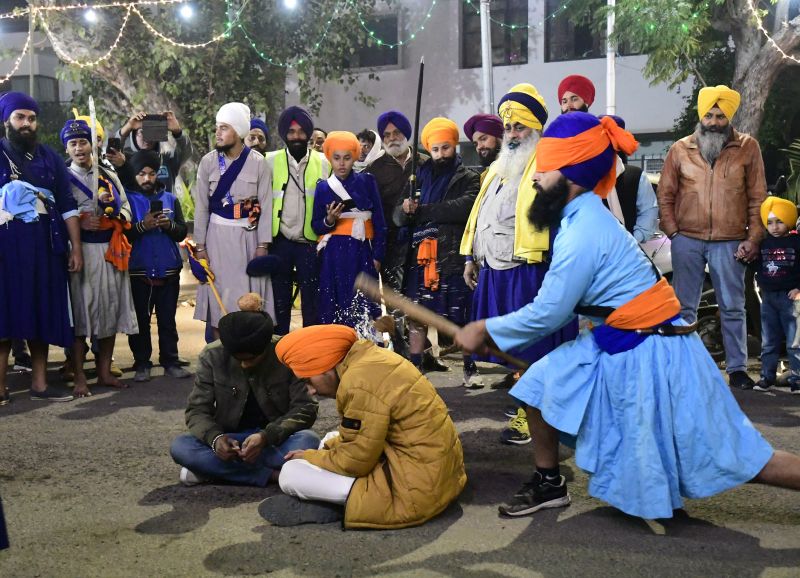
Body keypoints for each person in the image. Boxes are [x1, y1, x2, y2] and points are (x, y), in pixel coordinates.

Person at [455, 112, 800, 520]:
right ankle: (549, 483)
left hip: (658, 349)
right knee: (538, 386)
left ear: (571, 175)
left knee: (741, 456)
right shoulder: (579, 218)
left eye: (544, 169)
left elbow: (549, 313)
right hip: (623, 340)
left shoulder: (583, 231)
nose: (535, 178)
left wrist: (485, 329)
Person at [258, 325, 466, 528]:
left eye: (308, 381)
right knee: (330, 439)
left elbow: (354, 463)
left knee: (291, 473)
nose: (311, 391)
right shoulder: (372, 357)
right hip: (441, 476)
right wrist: (323, 453)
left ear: (325, 367)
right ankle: (338, 498)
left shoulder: (357, 382)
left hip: (413, 492)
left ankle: (343, 505)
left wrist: (310, 456)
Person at [460, 85, 579, 434]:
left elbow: (558, 221)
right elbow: (480, 215)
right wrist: (470, 257)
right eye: (508, 127)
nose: (512, 134)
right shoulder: (497, 169)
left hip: (530, 270)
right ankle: (528, 406)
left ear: (536, 129)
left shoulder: (549, 166)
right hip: (496, 270)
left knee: (534, 348)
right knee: (513, 349)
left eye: (519, 127)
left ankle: (536, 418)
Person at [657, 85, 767, 390]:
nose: (714, 122)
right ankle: (683, 368)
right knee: (683, 308)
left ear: (729, 117)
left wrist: (753, 238)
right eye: (709, 115)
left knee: (732, 307)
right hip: (687, 239)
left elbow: (758, 198)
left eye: (720, 116)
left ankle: (738, 369)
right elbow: (665, 194)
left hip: (731, 240)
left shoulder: (748, 147)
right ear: (701, 116)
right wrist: (673, 232)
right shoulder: (680, 149)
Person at [170, 310, 320, 486]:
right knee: (181, 446)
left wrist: (266, 436)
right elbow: (197, 410)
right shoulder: (212, 355)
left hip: (275, 439)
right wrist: (216, 439)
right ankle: (271, 475)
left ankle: (213, 471)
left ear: (265, 347)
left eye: (250, 359)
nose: (244, 365)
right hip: (231, 440)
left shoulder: (288, 354)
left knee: (308, 439)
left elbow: (305, 408)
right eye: (238, 359)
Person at [0, 92, 83, 404]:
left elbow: (67, 204)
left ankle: (40, 384)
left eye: (32, 118)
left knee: (41, 309)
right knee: (3, 313)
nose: (27, 123)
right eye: (20, 117)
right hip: (5, 246)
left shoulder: (50, 157)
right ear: (6, 120)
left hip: (45, 245)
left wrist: (75, 247)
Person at [394, 118, 479, 380]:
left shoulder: (469, 177)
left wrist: (422, 211)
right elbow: (397, 216)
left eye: (445, 148)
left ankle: (470, 368)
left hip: (452, 256)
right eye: (435, 149)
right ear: (428, 150)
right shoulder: (416, 178)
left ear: (454, 146)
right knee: (417, 316)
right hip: (419, 257)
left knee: (461, 316)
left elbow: (464, 208)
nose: (441, 154)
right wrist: (405, 210)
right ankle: (416, 367)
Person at [62, 119, 138, 397]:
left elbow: (126, 204)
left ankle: (104, 372)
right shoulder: (62, 178)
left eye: (83, 142)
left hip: (110, 251)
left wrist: (117, 216)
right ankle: (80, 376)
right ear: (67, 149)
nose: (79, 148)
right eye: (73, 144)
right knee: (81, 315)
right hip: (81, 252)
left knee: (109, 309)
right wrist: (79, 222)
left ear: (92, 145)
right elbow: (57, 215)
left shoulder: (108, 174)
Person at [192, 102, 275, 335]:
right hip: (216, 239)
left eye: (224, 127)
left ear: (238, 132)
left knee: (249, 304)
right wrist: (200, 247)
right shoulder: (208, 162)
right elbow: (201, 207)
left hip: (249, 239)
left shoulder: (258, 163)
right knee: (220, 303)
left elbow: (266, 206)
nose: (217, 133)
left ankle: (247, 352)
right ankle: (221, 352)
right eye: (217, 127)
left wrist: (262, 245)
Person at [125, 150, 191, 383]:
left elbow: (181, 232)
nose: (147, 178)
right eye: (141, 174)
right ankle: (142, 363)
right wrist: (142, 226)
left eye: (152, 173)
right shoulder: (127, 200)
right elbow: (124, 234)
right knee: (140, 323)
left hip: (169, 270)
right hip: (139, 270)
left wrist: (168, 225)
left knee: (167, 321)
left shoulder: (170, 199)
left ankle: (170, 361)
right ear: (134, 175)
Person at [264, 106, 330, 335]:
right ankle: (281, 348)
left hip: (310, 242)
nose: (296, 136)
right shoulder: (269, 160)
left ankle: (309, 348)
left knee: (311, 302)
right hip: (279, 241)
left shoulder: (324, 162)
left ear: (308, 133)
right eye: (291, 132)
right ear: (284, 134)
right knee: (279, 301)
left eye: (301, 131)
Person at [312, 131, 386, 327]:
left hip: (362, 250)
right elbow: (316, 225)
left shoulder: (367, 181)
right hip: (333, 254)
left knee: (363, 301)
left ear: (354, 157)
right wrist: (329, 220)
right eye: (336, 158)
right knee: (334, 301)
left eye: (347, 158)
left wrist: (378, 255)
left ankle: (366, 342)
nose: (342, 163)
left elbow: (379, 221)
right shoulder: (323, 187)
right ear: (330, 158)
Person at [364, 110, 429, 292]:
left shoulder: (425, 164)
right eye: (387, 135)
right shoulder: (373, 170)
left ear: (406, 134)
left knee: (422, 299)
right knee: (395, 302)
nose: (392, 138)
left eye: (397, 133)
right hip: (390, 247)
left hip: (422, 243)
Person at [752, 197, 800, 394]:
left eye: (779, 221)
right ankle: (766, 377)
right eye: (770, 222)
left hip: (791, 298)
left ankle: (797, 379)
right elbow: (757, 266)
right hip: (769, 298)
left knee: (795, 342)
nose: (775, 227)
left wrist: (798, 288)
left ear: (789, 220)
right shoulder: (763, 243)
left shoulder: (796, 242)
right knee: (769, 341)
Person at [596, 114, 658, 242]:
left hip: (630, 247)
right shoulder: (586, 177)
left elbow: (648, 211)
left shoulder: (636, 176)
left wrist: (633, 240)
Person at [115, 110, 193, 194]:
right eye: (142, 132)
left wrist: (178, 132)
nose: (147, 138)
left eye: (151, 132)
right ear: (134, 136)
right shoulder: (124, 161)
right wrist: (128, 127)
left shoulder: (167, 160)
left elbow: (186, 150)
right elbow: (113, 151)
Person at [463, 113, 503, 181]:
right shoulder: (484, 178)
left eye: (483, 139)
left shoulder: (517, 169)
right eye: (475, 144)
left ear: (500, 137)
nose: (479, 147)